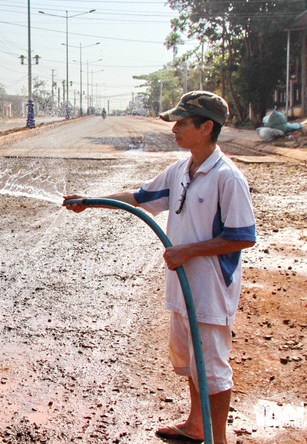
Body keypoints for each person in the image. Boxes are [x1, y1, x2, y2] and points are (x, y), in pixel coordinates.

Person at [64, 91, 256, 444]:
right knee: (192, 361)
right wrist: (89, 202)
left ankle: (219, 439)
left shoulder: (228, 177)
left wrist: (187, 251)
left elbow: (243, 236)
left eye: (182, 123)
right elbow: (139, 199)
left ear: (206, 127)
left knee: (212, 367)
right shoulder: (180, 171)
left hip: (211, 290)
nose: (174, 130)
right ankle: (197, 426)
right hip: (184, 288)